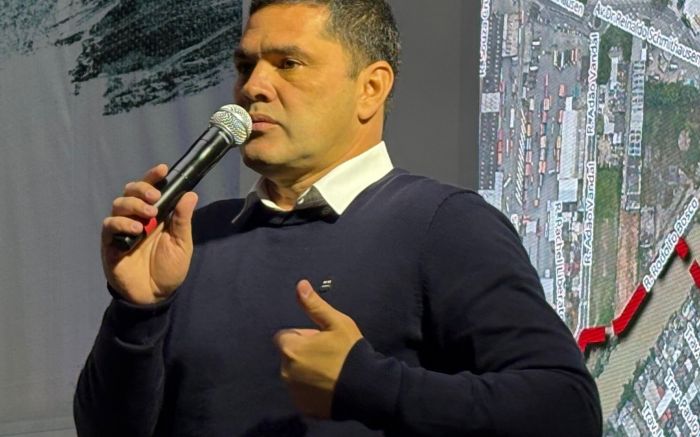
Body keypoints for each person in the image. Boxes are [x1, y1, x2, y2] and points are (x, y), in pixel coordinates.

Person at [74, 0, 602, 435]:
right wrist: (136, 312)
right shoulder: (195, 237)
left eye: (287, 64)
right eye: (245, 66)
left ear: (370, 88)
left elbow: (567, 409)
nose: (253, 86)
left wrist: (367, 383)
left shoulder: (443, 224)